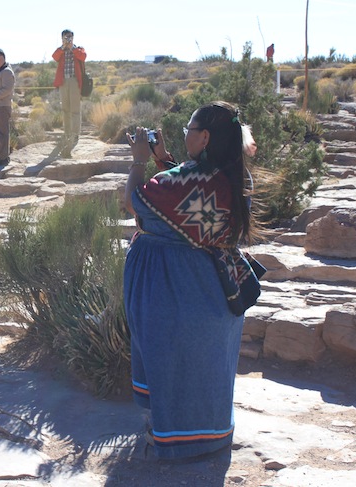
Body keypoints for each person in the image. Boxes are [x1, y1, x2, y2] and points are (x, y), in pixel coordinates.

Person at [123, 101, 260, 461]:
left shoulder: (186, 181)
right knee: (206, 366)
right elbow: (187, 192)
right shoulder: (227, 175)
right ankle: (212, 434)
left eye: (188, 128)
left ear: (204, 137)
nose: (185, 133)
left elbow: (136, 200)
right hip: (213, 289)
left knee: (173, 361)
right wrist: (163, 159)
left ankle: (175, 439)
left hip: (178, 290)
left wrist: (138, 161)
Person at [52, 29, 87, 158]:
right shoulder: (60, 50)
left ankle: (75, 133)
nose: (68, 39)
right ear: (61, 38)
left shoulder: (78, 49)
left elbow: (83, 57)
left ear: (73, 37)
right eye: (65, 37)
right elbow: (54, 57)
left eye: (70, 37)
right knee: (65, 109)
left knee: (75, 109)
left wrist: (72, 47)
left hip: (74, 81)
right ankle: (67, 133)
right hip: (63, 81)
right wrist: (63, 47)